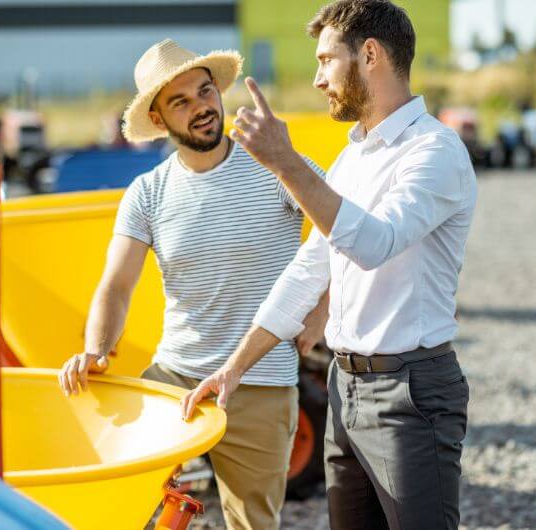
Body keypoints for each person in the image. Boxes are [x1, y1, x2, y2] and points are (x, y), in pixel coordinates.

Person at [183, 1, 478, 528]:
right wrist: (234, 367)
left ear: (370, 55)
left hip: (410, 394)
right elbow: (308, 269)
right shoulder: (354, 157)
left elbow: (374, 243)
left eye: (325, 60)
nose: (318, 79)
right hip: (346, 391)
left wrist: (285, 162)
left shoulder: (435, 152)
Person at [57, 39, 327, 530]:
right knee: (121, 506)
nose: (201, 107)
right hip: (174, 381)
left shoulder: (276, 166)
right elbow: (116, 285)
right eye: (180, 102)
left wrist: (324, 308)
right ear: (158, 120)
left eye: (205, 92)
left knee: (253, 525)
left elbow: (344, 231)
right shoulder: (147, 192)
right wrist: (97, 349)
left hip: (260, 385)